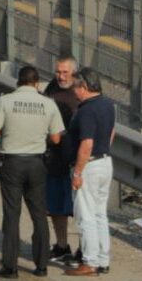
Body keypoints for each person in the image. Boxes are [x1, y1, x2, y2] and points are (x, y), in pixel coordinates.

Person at [0, 65, 63, 278]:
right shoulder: (48, 104)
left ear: (18, 82)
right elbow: (56, 138)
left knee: (12, 214)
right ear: (37, 83)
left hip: (12, 163)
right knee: (39, 214)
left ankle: (10, 267)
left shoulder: (6, 101)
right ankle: (41, 265)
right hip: (37, 163)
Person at [64, 68, 116, 277]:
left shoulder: (86, 110)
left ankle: (90, 261)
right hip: (105, 162)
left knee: (85, 215)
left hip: (89, 166)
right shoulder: (107, 104)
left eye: (75, 86)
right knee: (99, 214)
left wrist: (78, 172)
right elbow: (112, 131)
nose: (73, 91)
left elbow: (86, 143)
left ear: (84, 87)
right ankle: (103, 259)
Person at [43, 56, 80, 263]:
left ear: (74, 73)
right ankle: (62, 245)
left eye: (65, 72)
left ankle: (84, 249)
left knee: (79, 209)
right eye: (58, 72)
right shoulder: (52, 88)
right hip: (54, 158)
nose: (61, 76)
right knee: (55, 206)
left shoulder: (80, 92)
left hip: (74, 159)